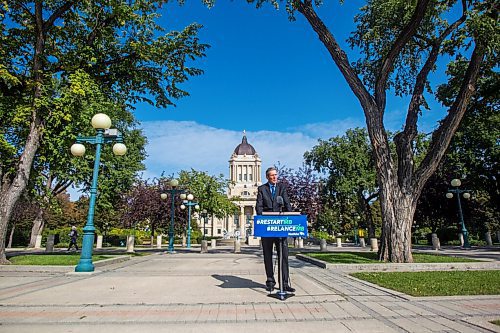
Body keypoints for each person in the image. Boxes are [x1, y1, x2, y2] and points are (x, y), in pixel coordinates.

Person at [256, 167, 295, 293]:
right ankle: (270, 282)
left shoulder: (281, 188)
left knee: (283, 256)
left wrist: (290, 217)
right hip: (267, 228)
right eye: (272, 175)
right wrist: (265, 217)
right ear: (267, 177)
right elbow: (259, 207)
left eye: (275, 175)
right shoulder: (262, 189)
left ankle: (284, 283)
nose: (274, 177)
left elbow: (287, 203)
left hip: (281, 227)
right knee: (268, 256)